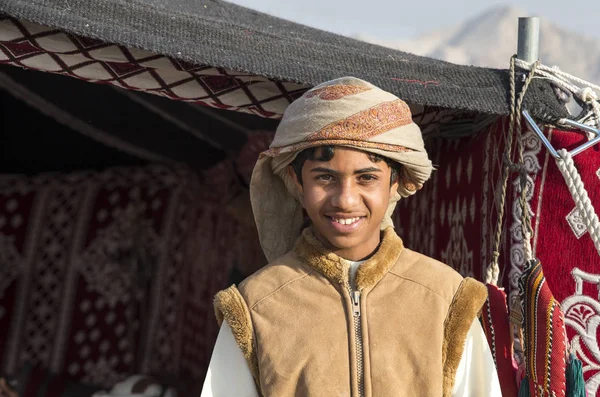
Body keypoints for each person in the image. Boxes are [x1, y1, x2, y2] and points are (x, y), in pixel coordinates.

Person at [200, 77, 501, 396]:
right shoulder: (254, 305)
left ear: (396, 182)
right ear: (296, 182)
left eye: (367, 178)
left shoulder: (446, 297)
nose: (345, 199)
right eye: (325, 177)